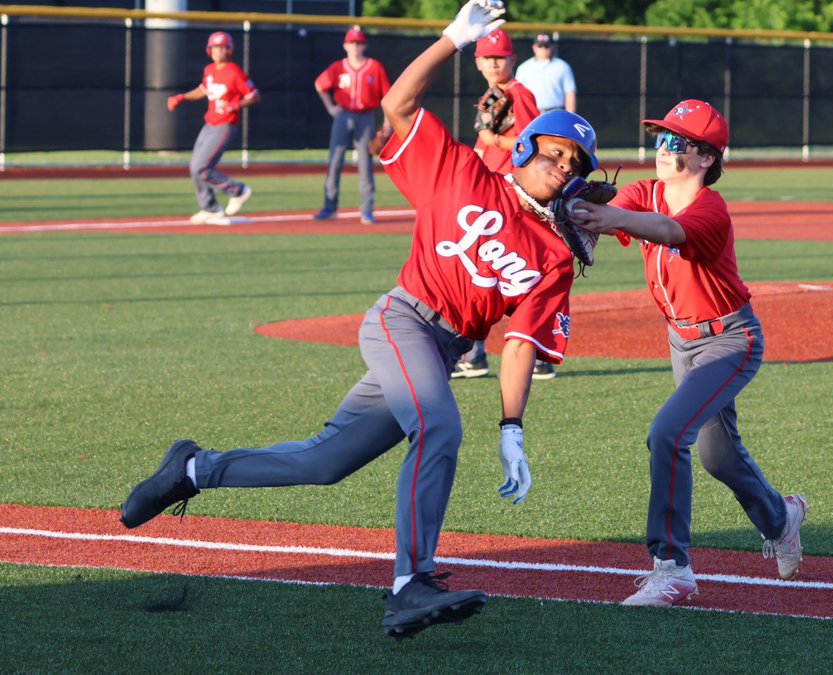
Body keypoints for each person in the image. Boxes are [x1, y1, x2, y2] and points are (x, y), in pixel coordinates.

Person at [119, 0, 602, 640]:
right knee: (437, 426)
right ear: (527, 146)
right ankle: (410, 584)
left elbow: (518, 342)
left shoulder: (554, 256)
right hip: (402, 321)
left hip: (444, 345)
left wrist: (512, 426)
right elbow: (398, 108)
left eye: (575, 165)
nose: (564, 167)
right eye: (556, 152)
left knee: (324, 463)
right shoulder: (462, 174)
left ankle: (189, 470)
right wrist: (451, 40)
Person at [570, 99, 807, 607]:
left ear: (705, 158)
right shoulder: (646, 191)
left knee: (667, 434)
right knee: (717, 457)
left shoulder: (710, 210)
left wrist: (609, 216)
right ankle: (781, 518)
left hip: (730, 341)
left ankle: (672, 568)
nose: (663, 149)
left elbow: (666, 230)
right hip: (682, 340)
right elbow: (623, 208)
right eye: (661, 139)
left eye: (677, 142)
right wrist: (573, 206)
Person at [453, 29, 556, 380]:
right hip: (490, 192)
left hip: (512, 195)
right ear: (478, 62)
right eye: (487, 57)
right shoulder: (494, 94)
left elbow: (535, 145)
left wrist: (494, 139)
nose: (494, 62)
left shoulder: (520, 93)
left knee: (511, 277)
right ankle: (475, 354)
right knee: (484, 275)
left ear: (513, 59)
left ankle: (536, 354)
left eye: (501, 56)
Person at [166, 31, 260, 226]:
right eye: (215, 47)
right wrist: (182, 97)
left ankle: (238, 191)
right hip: (210, 123)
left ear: (229, 50)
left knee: (202, 168)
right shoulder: (209, 70)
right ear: (209, 50)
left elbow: (254, 96)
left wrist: (236, 105)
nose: (218, 51)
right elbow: (203, 90)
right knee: (195, 168)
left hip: (225, 125)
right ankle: (211, 208)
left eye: (222, 47)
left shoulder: (234, 71)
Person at [313, 26, 391, 225]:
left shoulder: (374, 66)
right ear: (345, 45)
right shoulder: (338, 67)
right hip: (343, 115)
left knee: (365, 163)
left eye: (359, 43)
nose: (355, 46)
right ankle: (330, 207)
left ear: (364, 45)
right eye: (352, 43)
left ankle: (367, 210)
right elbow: (320, 85)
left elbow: (387, 97)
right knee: (335, 160)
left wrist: (387, 123)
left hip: (365, 117)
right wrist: (330, 107)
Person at [515, 33, 576, 113]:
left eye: (546, 46)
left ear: (552, 47)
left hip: (556, 111)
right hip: (532, 112)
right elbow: (517, 94)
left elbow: (570, 93)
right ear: (534, 47)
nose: (543, 49)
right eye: (540, 46)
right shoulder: (524, 68)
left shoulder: (562, 66)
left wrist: (570, 116)